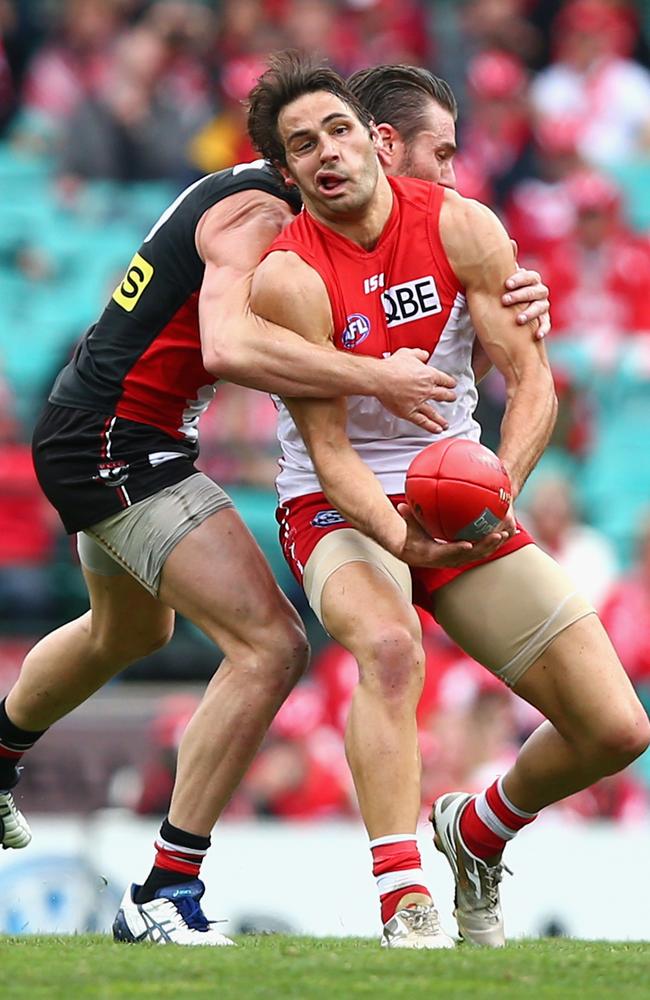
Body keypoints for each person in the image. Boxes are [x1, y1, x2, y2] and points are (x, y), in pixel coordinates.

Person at [0, 70, 551, 947]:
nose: (448, 176)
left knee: (129, 634)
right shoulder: (258, 216)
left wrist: (522, 294)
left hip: (101, 427)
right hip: (118, 440)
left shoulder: (318, 210)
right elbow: (227, 343)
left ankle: (0, 754)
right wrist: (380, 375)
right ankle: (162, 893)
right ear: (386, 144)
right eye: (437, 156)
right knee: (270, 645)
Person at [246, 53, 650, 949]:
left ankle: (477, 833)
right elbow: (331, 450)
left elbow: (533, 384)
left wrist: (493, 491)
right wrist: (401, 534)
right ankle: (405, 898)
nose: (326, 155)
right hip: (338, 507)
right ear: (288, 173)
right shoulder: (287, 277)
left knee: (618, 727)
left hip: (455, 487)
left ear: (373, 143)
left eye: (338, 131)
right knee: (389, 649)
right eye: (302, 146)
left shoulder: (463, 225)